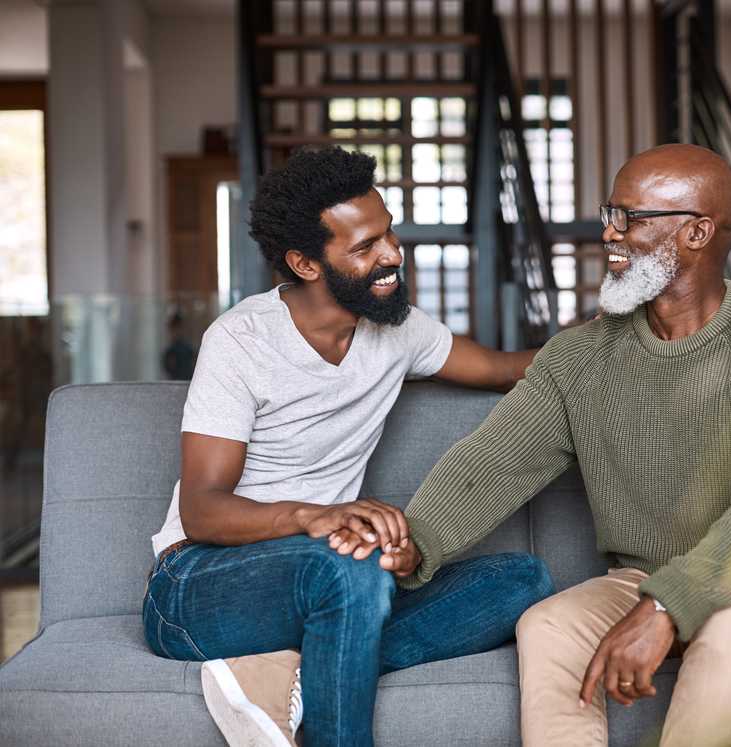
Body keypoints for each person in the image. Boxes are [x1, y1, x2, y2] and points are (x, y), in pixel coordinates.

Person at [377, 144, 731, 746]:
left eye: (628, 217)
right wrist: (413, 541)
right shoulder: (578, 357)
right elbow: (494, 461)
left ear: (697, 233)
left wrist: (668, 607)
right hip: (643, 578)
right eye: (611, 212)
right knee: (548, 625)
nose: (607, 231)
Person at [143, 147, 554, 747]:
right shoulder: (241, 340)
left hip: (335, 573)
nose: (392, 255)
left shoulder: (398, 329)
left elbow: (502, 368)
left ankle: (308, 669)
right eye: (365, 248)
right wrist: (316, 517)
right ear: (305, 263)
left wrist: (619, 335)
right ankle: (331, 651)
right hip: (195, 584)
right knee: (347, 569)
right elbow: (203, 509)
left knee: (525, 580)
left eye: (387, 234)